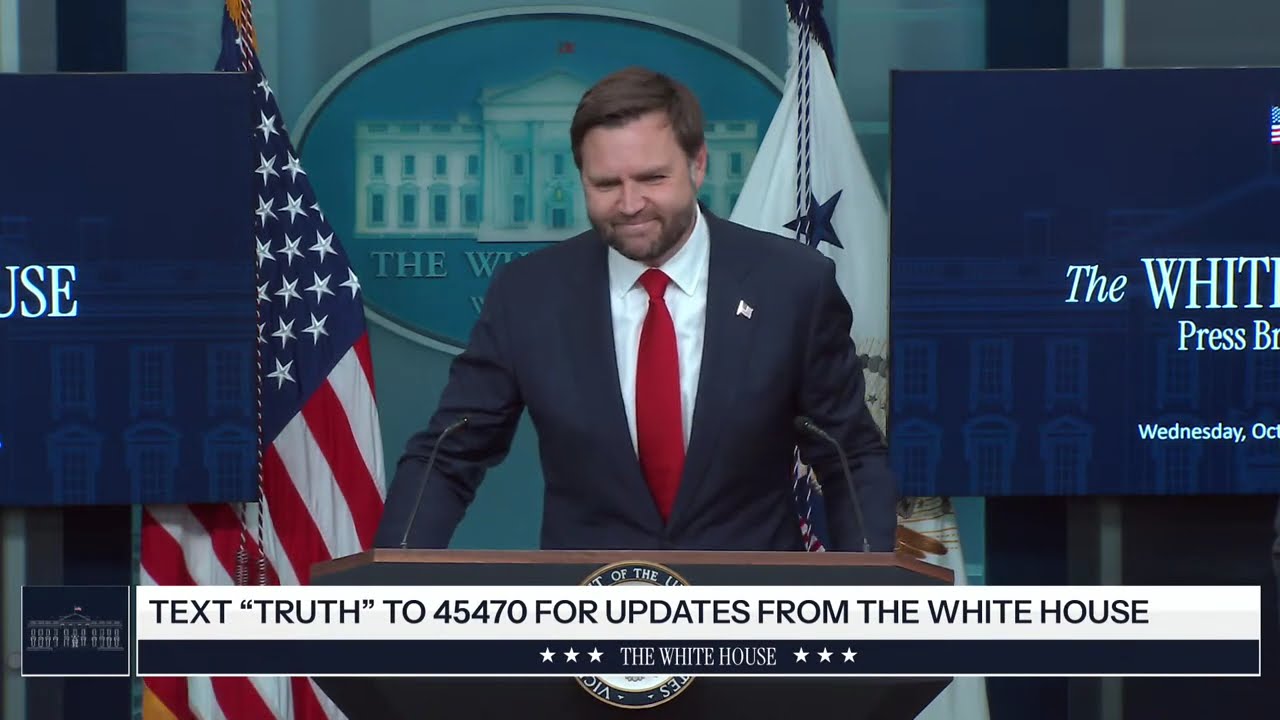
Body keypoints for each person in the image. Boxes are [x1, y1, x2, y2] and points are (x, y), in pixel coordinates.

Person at [373, 67, 897, 552]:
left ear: (698, 165)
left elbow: (849, 457)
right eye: (606, 184)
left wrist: (867, 600)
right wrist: (391, 589)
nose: (629, 204)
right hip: (588, 609)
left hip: (748, 609)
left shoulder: (791, 284)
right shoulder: (529, 295)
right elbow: (448, 455)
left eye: (652, 179)